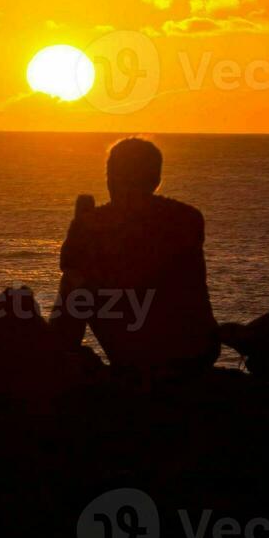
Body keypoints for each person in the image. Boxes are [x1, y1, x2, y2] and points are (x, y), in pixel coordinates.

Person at [52, 137, 219, 372]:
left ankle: (59, 351)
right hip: (199, 349)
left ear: (111, 178)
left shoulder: (95, 224)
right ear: (156, 180)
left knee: (73, 281)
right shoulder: (189, 217)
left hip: (139, 351)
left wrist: (81, 228)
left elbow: (72, 266)